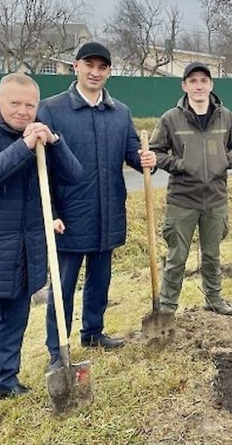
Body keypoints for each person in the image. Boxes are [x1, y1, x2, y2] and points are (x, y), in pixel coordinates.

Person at [0, 73, 82, 436]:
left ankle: (6, 379)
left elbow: (74, 176)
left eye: (30, 105)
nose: (23, 111)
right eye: (15, 104)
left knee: (15, 321)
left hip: (27, 249)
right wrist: (24, 146)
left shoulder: (41, 136)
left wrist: (54, 143)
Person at [37, 42, 156, 370]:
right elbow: (40, 166)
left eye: (102, 67)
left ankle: (93, 331)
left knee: (100, 279)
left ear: (109, 72)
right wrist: (53, 213)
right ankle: (57, 349)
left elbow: (132, 151)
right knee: (62, 287)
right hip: (70, 215)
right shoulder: (52, 110)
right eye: (89, 65)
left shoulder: (120, 112)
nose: (95, 72)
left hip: (108, 211)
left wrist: (146, 158)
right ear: (75, 66)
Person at [150, 62, 232, 315]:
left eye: (203, 81)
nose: (199, 86)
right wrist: (180, 164)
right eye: (192, 81)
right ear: (184, 86)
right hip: (182, 200)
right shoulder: (170, 118)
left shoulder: (225, 116)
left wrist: (225, 161)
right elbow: (156, 153)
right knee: (176, 258)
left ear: (211, 85)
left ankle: (214, 299)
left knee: (212, 256)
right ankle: (168, 307)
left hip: (215, 199)